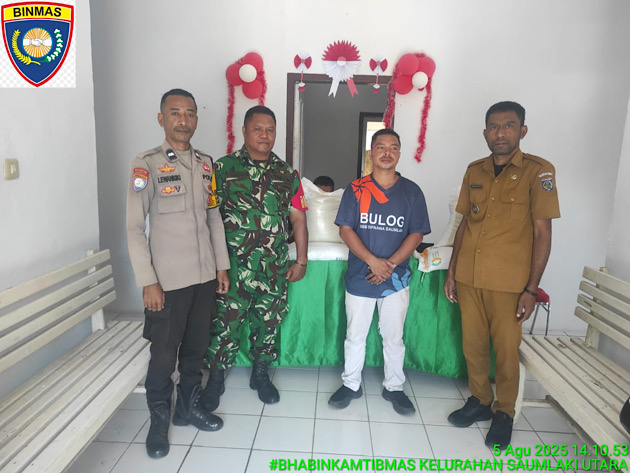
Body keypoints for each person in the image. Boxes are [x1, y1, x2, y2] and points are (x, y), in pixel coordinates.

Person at [443, 101, 560, 449]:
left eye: (508, 126)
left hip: (509, 283)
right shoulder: (474, 171)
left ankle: (504, 411)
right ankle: (480, 400)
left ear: (522, 130)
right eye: (494, 127)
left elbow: (543, 233)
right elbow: (465, 224)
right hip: (469, 277)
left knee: (506, 351)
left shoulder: (539, 172)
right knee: (473, 346)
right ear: (485, 133)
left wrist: (531, 289)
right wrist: (452, 271)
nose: (501, 133)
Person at [126, 88, 230, 459]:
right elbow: (134, 228)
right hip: (167, 282)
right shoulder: (146, 164)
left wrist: (221, 265)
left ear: (196, 119)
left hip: (203, 278)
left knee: (196, 349)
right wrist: (148, 281)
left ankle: (188, 408)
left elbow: (213, 218)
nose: (183, 120)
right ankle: (159, 418)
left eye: (189, 113)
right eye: (175, 113)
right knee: (163, 355)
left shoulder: (206, 164)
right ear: (162, 119)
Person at [202, 105, 308, 408]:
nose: (264, 135)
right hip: (233, 267)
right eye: (258, 129)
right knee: (226, 323)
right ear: (244, 131)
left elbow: (298, 219)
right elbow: (209, 218)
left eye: (270, 130)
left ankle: (260, 376)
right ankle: (216, 380)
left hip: (273, 268)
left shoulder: (287, 174)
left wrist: (301, 260)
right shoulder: (222, 169)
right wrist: (218, 266)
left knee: (268, 322)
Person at [328, 128, 431, 415]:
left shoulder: (412, 192)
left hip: (395, 280)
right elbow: (345, 229)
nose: (387, 152)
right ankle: (351, 384)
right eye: (381, 147)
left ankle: (394, 387)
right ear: (371, 153)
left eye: (393, 147)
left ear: (399, 153)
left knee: (394, 337)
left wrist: (389, 265)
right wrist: (373, 261)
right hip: (360, 277)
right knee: (355, 335)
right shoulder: (356, 189)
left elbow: (417, 233)